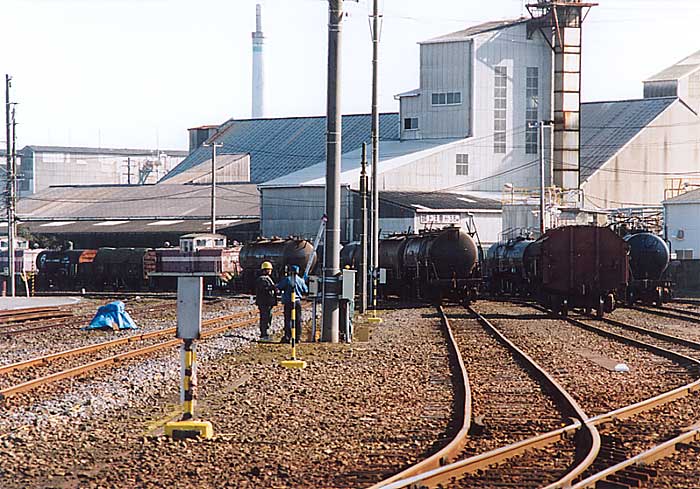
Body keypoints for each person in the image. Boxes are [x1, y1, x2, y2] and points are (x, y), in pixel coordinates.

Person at [276, 265, 308, 343]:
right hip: (297, 302)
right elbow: (306, 290)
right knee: (298, 320)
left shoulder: (287, 279)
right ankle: (297, 337)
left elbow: (279, 287)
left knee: (288, 320)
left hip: (288, 302)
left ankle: (287, 337)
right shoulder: (301, 280)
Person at [254, 261, 277, 341]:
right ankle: (264, 334)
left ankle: (265, 332)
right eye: (269, 269)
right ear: (265, 270)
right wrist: (273, 287)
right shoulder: (262, 279)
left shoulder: (266, 279)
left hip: (267, 302)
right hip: (264, 303)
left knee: (267, 317)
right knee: (265, 317)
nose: (270, 271)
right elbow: (264, 290)